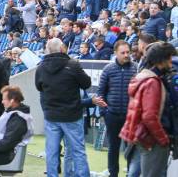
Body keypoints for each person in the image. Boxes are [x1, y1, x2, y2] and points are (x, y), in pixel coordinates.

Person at [35, 38, 91, 177]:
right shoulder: (72, 65)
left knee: (52, 152)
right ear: (62, 49)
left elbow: (38, 86)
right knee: (78, 151)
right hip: (71, 115)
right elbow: (86, 83)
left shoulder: (41, 67)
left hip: (52, 115)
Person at [121, 41, 177, 177]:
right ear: (161, 60)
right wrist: (162, 138)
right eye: (169, 58)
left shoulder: (144, 76)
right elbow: (149, 116)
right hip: (152, 139)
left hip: (143, 136)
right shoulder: (153, 81)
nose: (171, 62)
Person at [92, 40, 137, 177]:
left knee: (131, 149)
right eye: (122, 52)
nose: (126, 55)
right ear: (115, 53)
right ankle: (113, 174)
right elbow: (101, 93)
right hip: (112, 116)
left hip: (131, 117)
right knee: (113, 147)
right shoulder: (108, 69)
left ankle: (131, 173)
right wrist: (104, 112)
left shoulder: (136, 68)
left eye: (128, 52)